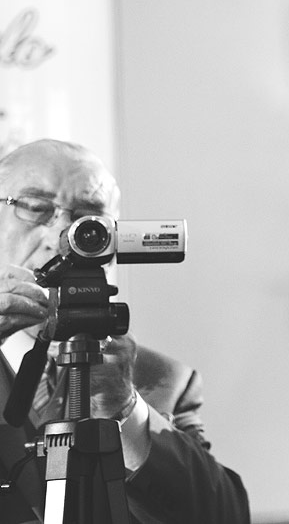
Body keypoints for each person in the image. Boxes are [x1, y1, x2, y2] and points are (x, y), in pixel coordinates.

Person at [0, 139, 250, 523]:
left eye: (88, 221)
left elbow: (224, 516)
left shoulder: (161, 379)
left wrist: (128, 413)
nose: (61, 237)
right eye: (35, 208)